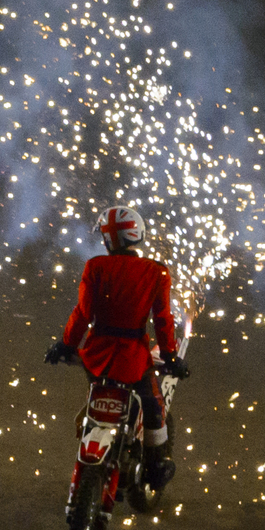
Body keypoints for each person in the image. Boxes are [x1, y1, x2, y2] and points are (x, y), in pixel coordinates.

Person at [45, 205, 186, 492]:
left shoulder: (95, 267)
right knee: (153, 403)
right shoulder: (156, 272)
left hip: (97, 355)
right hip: (134, 358)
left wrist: (66, 344)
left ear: (109, 240)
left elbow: (82, 314)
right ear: (138, 236)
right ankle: (156, 466)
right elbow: (163, 320)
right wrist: (171, 356)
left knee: (97, 391)